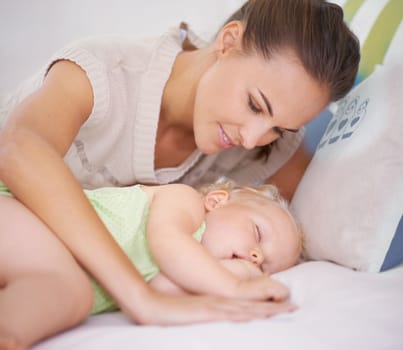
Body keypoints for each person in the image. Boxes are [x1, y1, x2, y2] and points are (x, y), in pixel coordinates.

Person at [0, 0, 360, 346]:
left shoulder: (266, 148)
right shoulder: (104, 71)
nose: (251, 139)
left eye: (279, 129)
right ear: (228, 40)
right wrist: (139, 297)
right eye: (254, 104)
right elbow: (18, 148)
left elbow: (331, 219)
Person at [0, 180, 301, 347]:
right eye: (257, 233)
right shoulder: (185, 201)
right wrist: (234, 285)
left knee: (64, 292)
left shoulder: (186, 273)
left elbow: (162, 289)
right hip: (23, 213)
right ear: (217, 201)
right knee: (67, 290)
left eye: (264, 266)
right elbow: (167, 243)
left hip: (24, 258)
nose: (256, 257)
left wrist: (233, 274)